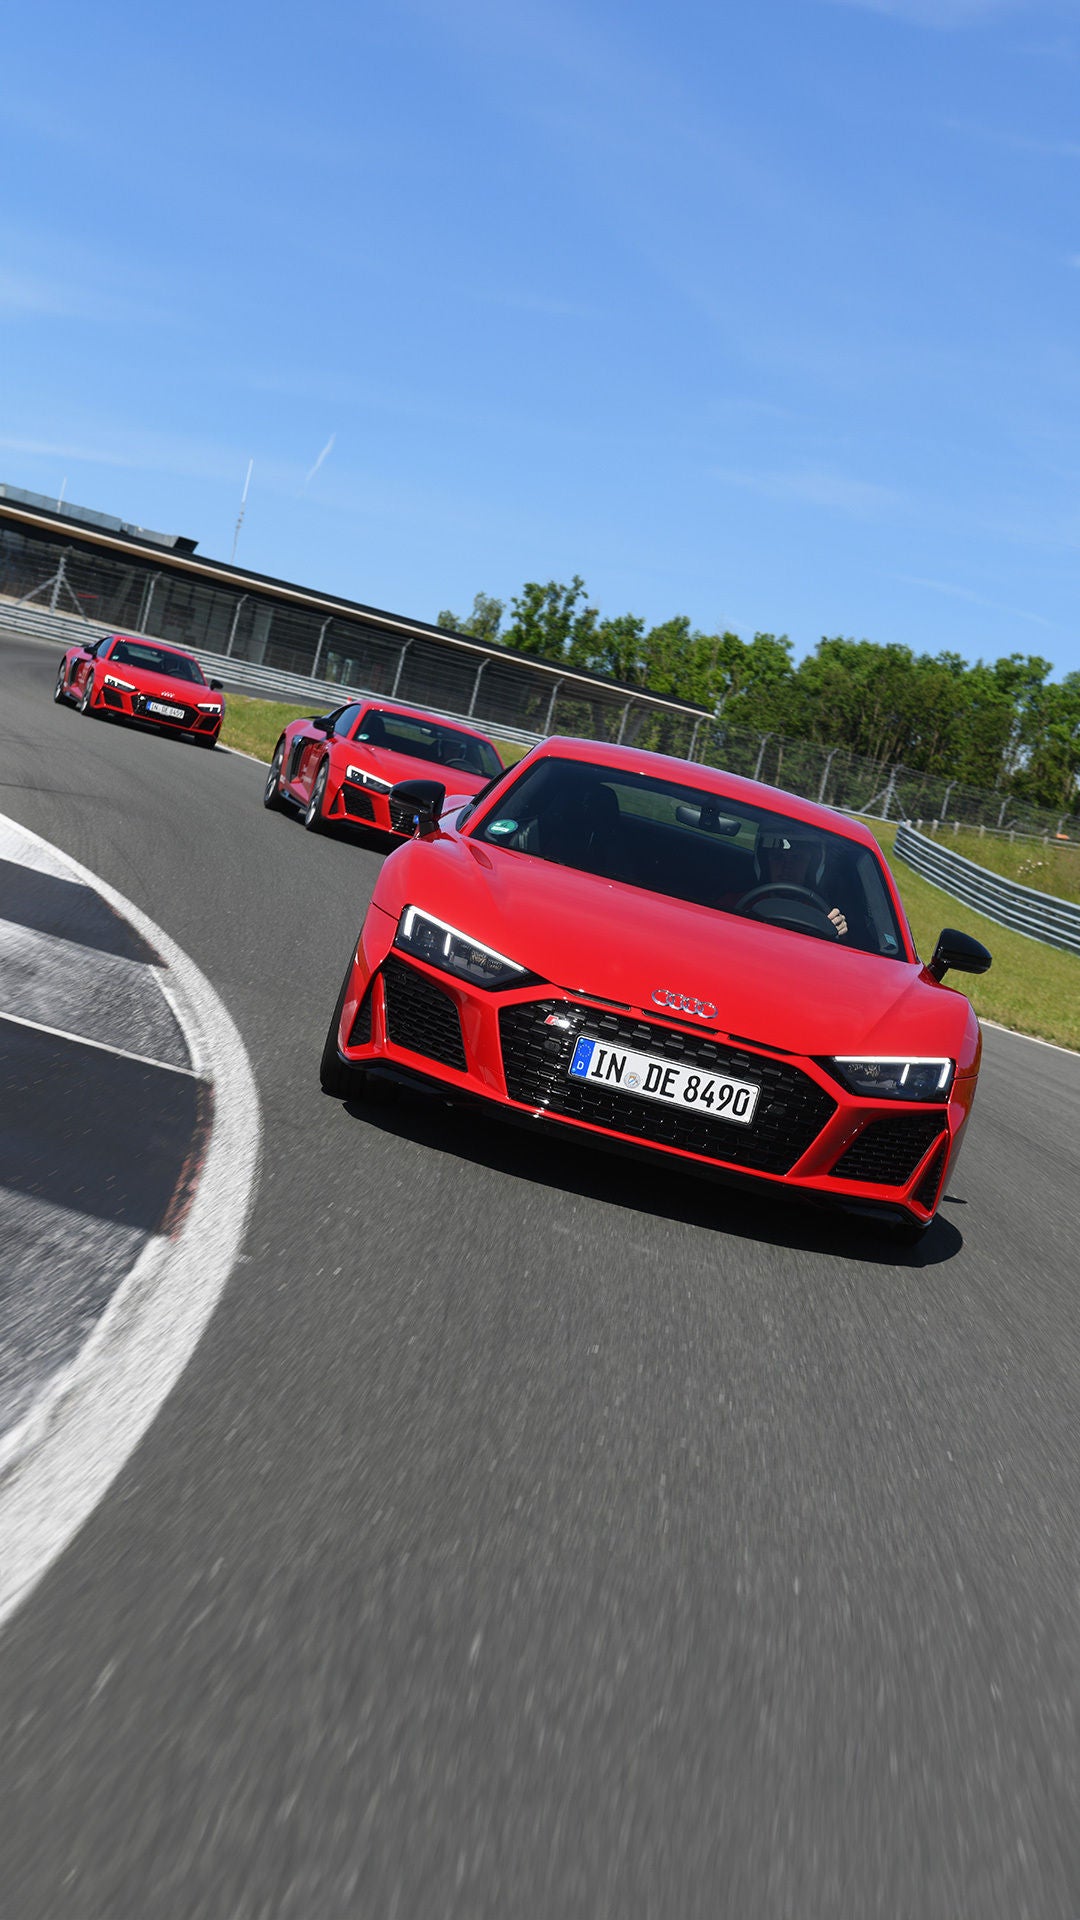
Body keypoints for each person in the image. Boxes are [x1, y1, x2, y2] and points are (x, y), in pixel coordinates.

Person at [719, 824, 849, 937]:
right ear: (764, 861)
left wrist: (836, 931)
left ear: (811, 865)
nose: (787, 866)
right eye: (778, 857)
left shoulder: (822, 916)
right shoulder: (737, 902)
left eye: (797, 858)